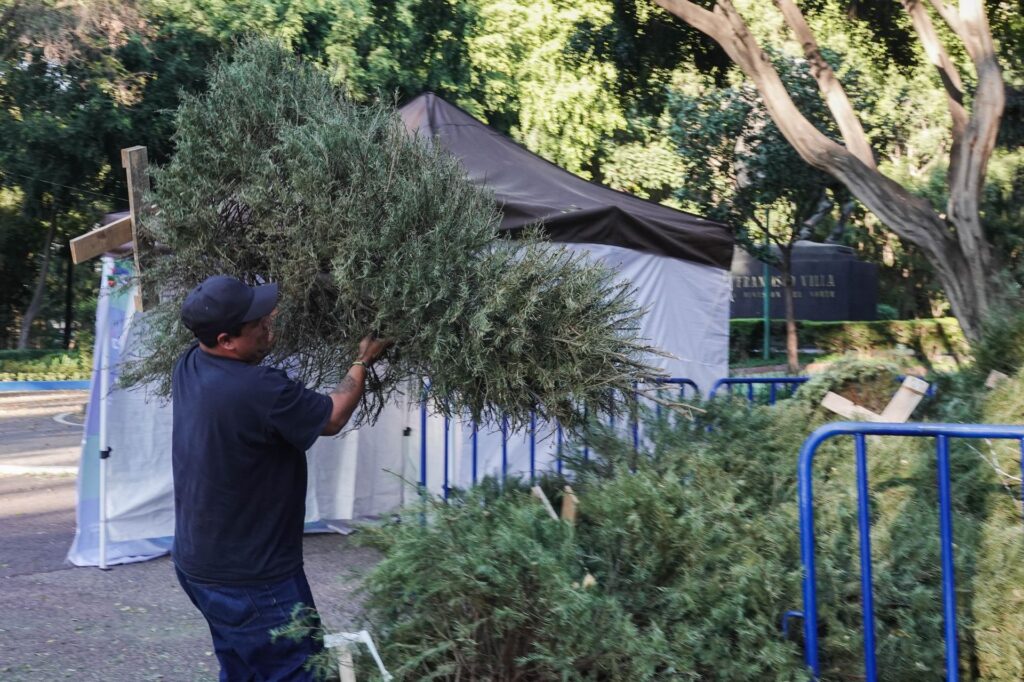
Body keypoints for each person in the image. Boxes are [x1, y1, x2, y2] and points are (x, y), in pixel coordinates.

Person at [171, 274, 389, 681]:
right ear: (226, 340)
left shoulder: (189, 364)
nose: (269, 321)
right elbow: (334, 414)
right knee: (301, 672)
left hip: (198, 564)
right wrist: (362, 359)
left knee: (243, 670)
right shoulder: (258, 388)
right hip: (253, 579)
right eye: (257, 322)